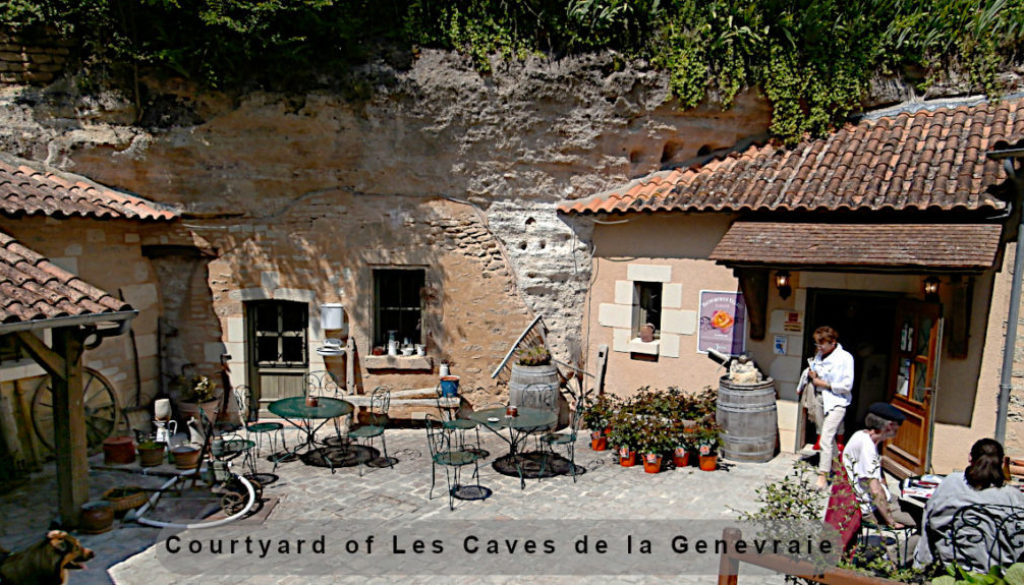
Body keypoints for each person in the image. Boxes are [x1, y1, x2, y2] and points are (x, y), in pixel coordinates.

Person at [913, 438, 1024, 571]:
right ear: (1001, 464)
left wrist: (921, 565)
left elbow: (929, 521)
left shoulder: (951, 483)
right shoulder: (1013, 496)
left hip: (949, 569)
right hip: (996, 573)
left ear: (970, 458)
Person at [842, 402, 916, 528]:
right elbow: (875, 490)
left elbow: (878, 477)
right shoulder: (867, 447)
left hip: (882, 500)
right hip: (871, 508)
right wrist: (891, 521)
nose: (898, 429)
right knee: (924, 521)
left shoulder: (862, 436)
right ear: (889, 426)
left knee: (922, 512)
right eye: (898, 425)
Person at [808, 326, 854, 490]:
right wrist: (813, 376)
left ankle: (822, 476)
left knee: (826, 439)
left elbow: (847, 385)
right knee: (827, 437)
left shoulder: (845, 358)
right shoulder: (819, 355)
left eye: (822, 344)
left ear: (833, 342)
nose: (819, 347)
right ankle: (837, 468)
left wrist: (825, 384)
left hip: (837, 401)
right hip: (820, 399)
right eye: (817, 343)